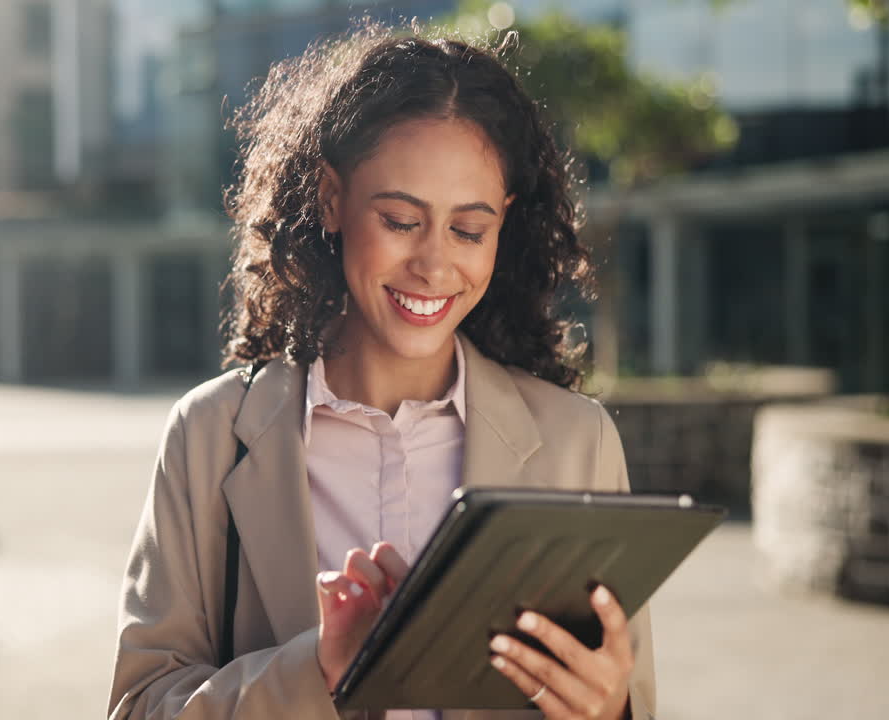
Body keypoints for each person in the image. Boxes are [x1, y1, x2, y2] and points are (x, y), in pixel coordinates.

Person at [108, 23, 656, 720]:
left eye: (468, 230)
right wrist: (319, 668)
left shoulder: (579, 442)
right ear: (331, 199)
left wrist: (609, 712)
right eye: (400, 219)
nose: (434, 265)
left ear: (504, 225)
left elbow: (634, 698)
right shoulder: (211, 435)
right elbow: (139, 707)